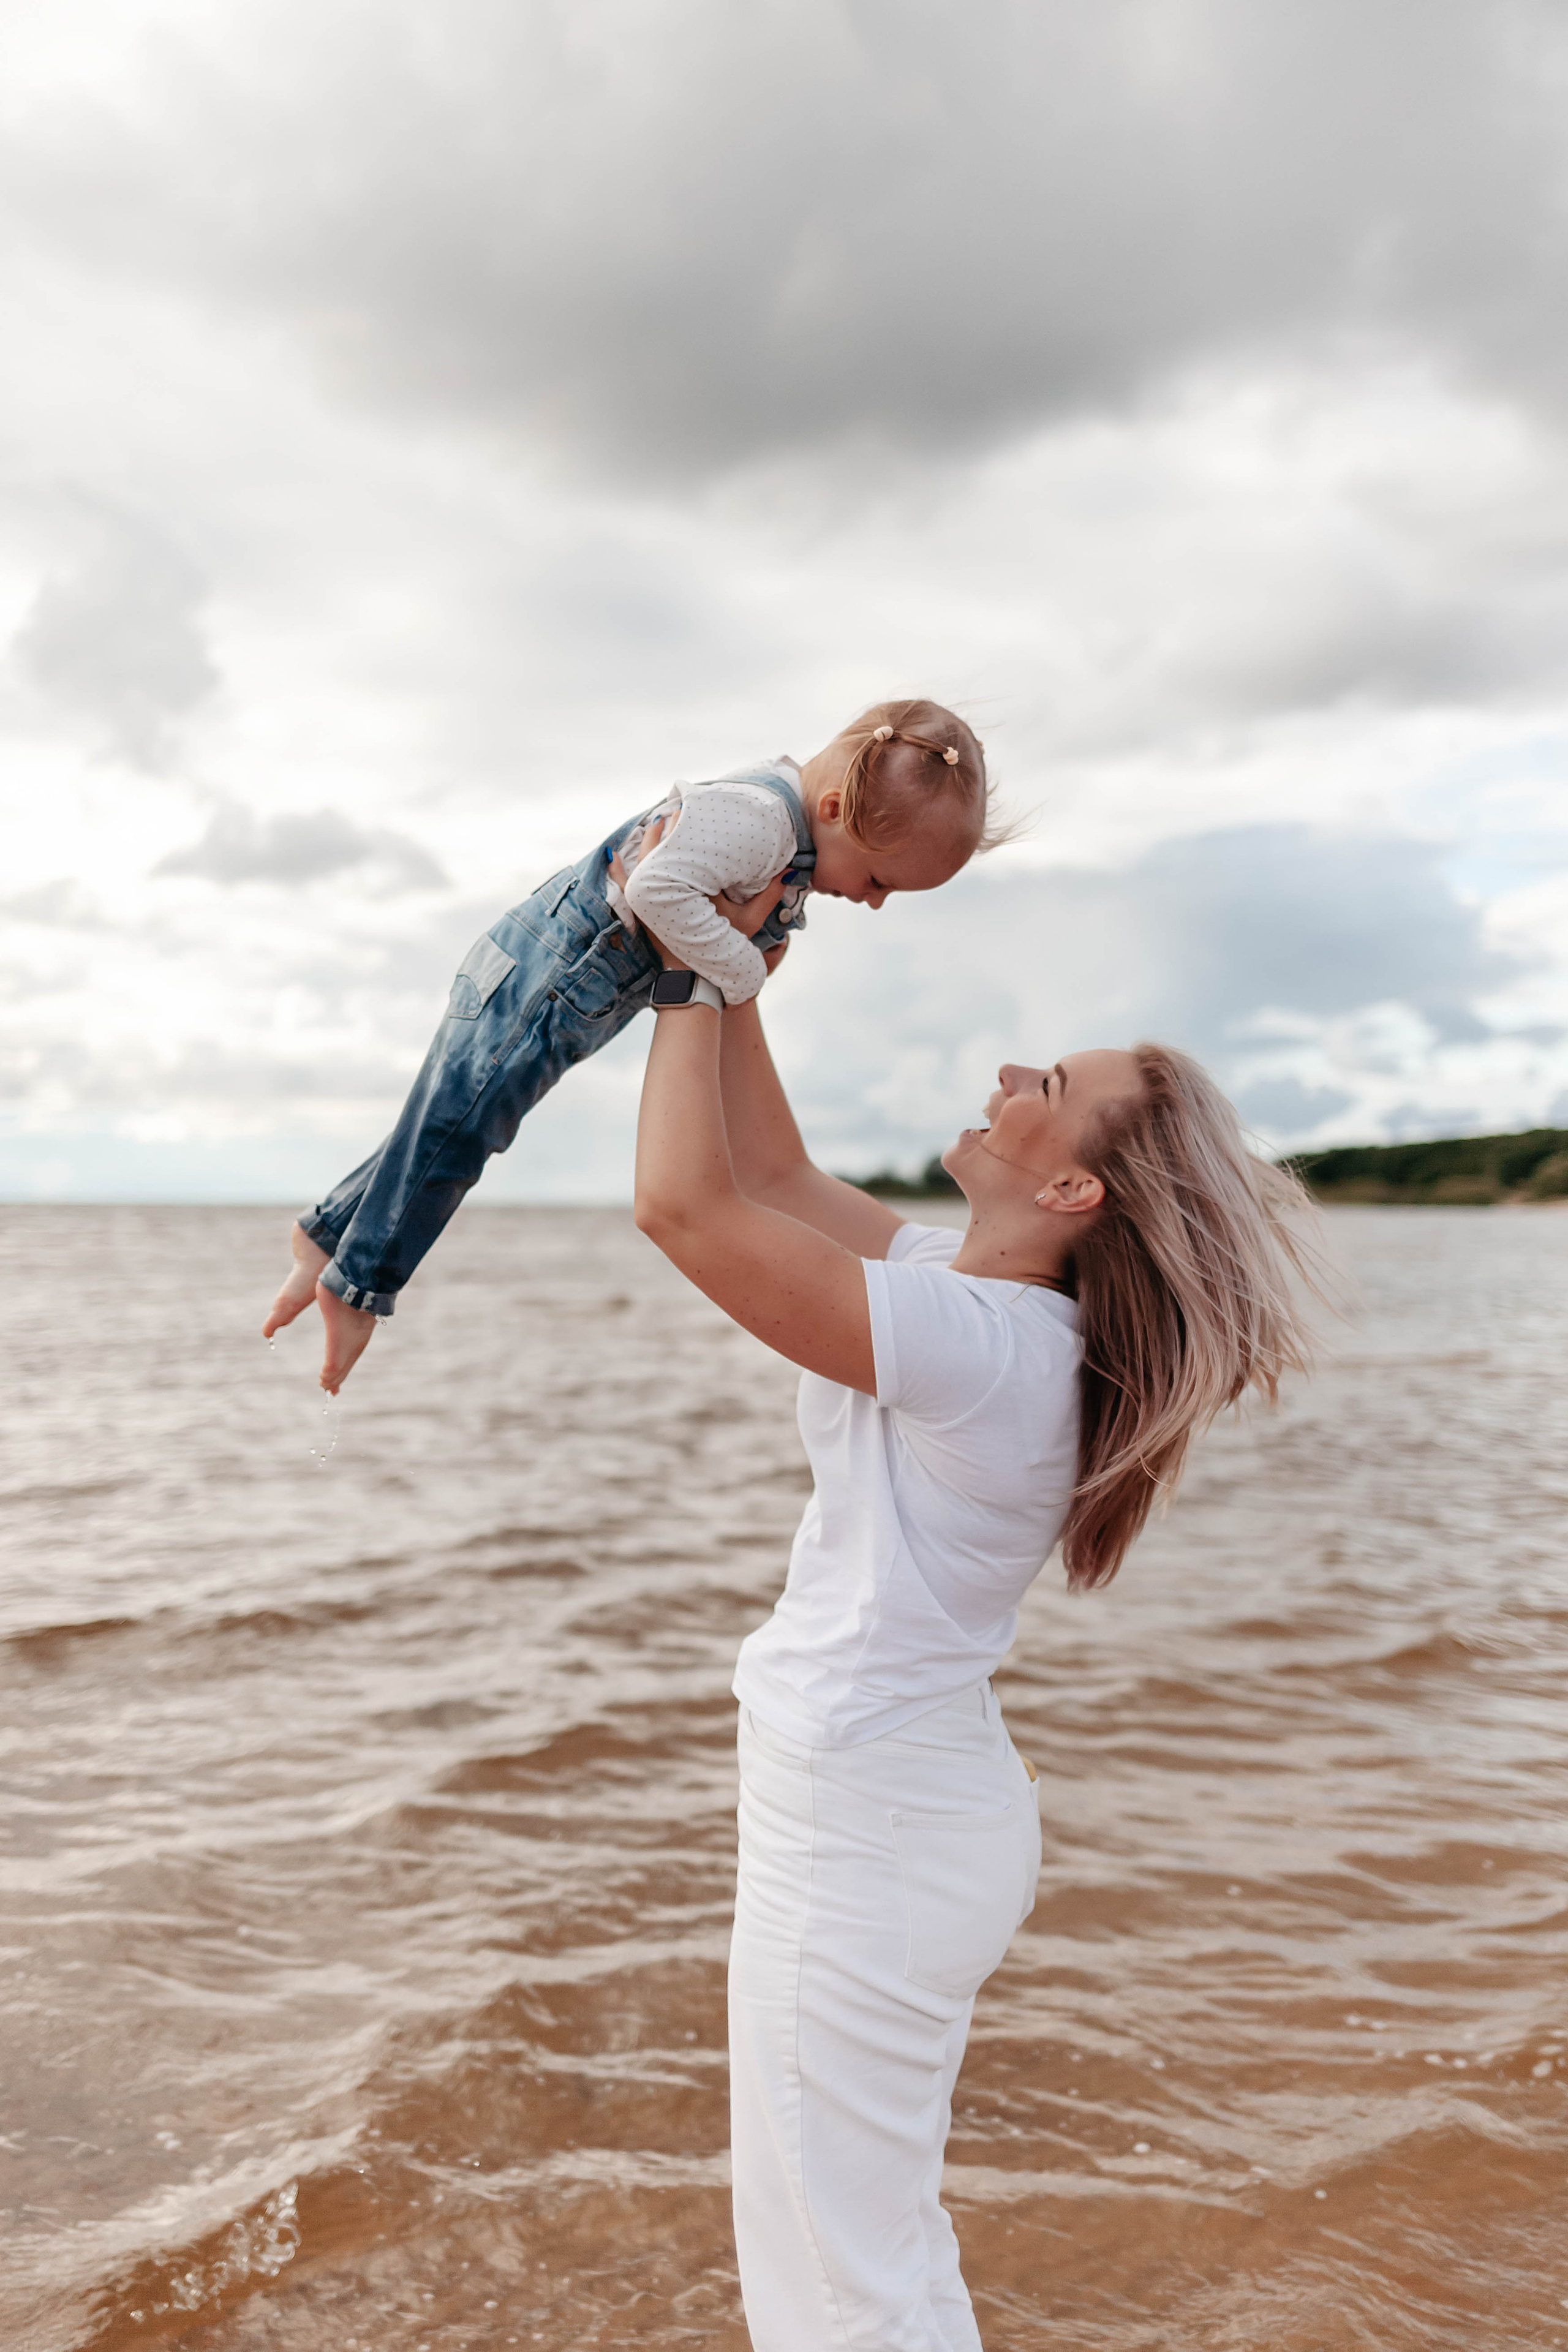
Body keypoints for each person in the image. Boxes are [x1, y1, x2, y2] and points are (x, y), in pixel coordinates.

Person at [630, 889, 1321, 2351]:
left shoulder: (985, 1346)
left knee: (841, 2280)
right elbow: (765, 1167)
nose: (1009, 1077)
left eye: (1047, 1089)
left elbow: (683, 1207)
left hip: (872, 1825)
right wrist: (740, 949)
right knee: (846, 2246)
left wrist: (684, 954)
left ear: (1073, 1193)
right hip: (901, 1804)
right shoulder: (970, 1299)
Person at [262, 698, 992, 1392]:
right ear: (833, 810)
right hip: (545, 978)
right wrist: (741, 967)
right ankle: (359, 1287)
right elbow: (656, 892)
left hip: (561, 985)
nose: (872, 901)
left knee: (450, 1124)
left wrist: (755, 944)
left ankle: (327, 1236)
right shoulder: (762, 821)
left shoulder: (782, 825)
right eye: (877, 881)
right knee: (459, 1135)